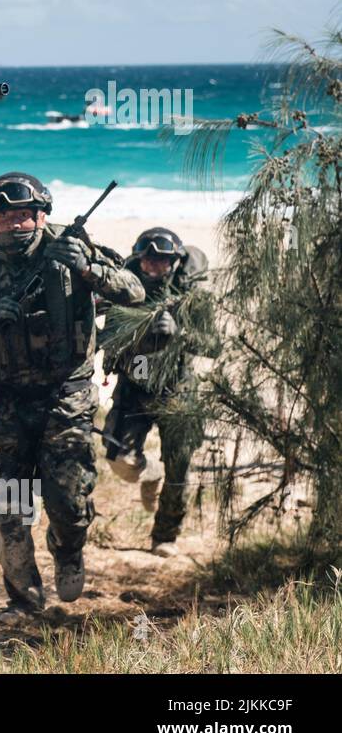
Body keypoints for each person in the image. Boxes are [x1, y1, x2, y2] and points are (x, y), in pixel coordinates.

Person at [0, 173, 144, 612]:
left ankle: (68, 549)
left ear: (42, 216)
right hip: (2, 401)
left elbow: (134, 292)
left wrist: (86, 268)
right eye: (5, 216)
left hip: (66, 396)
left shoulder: (74, 247)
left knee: (70, 501)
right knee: (10, 507)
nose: (14, 224)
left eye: (24, 215)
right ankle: (23, 596)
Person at [101, 228, 214, 557]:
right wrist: (134, 335)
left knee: (179, 469)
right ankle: (149, 473)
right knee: (119, 458)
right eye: (148, 259)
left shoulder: (191, 297)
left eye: (162, 260)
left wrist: (180, 334)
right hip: (135, 387)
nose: (153, 265)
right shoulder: (125, 292)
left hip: (177, 390)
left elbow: (214, 346)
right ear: (138, 259)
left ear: (174, 262)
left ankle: (164, 535)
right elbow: (107, 341)